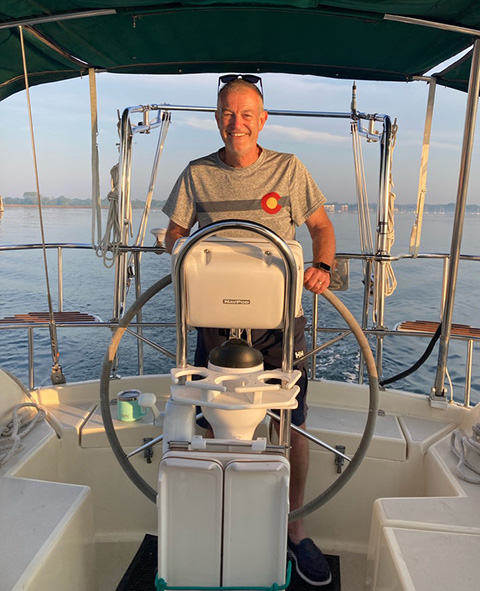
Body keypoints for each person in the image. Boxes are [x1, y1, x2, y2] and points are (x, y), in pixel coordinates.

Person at [162, 75, 336, 586]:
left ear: (262, 119)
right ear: (217, 118)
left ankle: (294, 527)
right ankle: (220, 507)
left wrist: (322, 266)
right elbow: (175, 231)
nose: (236, 122)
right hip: (215, 321)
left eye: (246, 114)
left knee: (292, 421)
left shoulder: (288, 169)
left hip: (280, 321)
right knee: (211, 417)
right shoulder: (196, 175)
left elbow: (321, 227)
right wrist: (171, 242)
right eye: (227, 113)